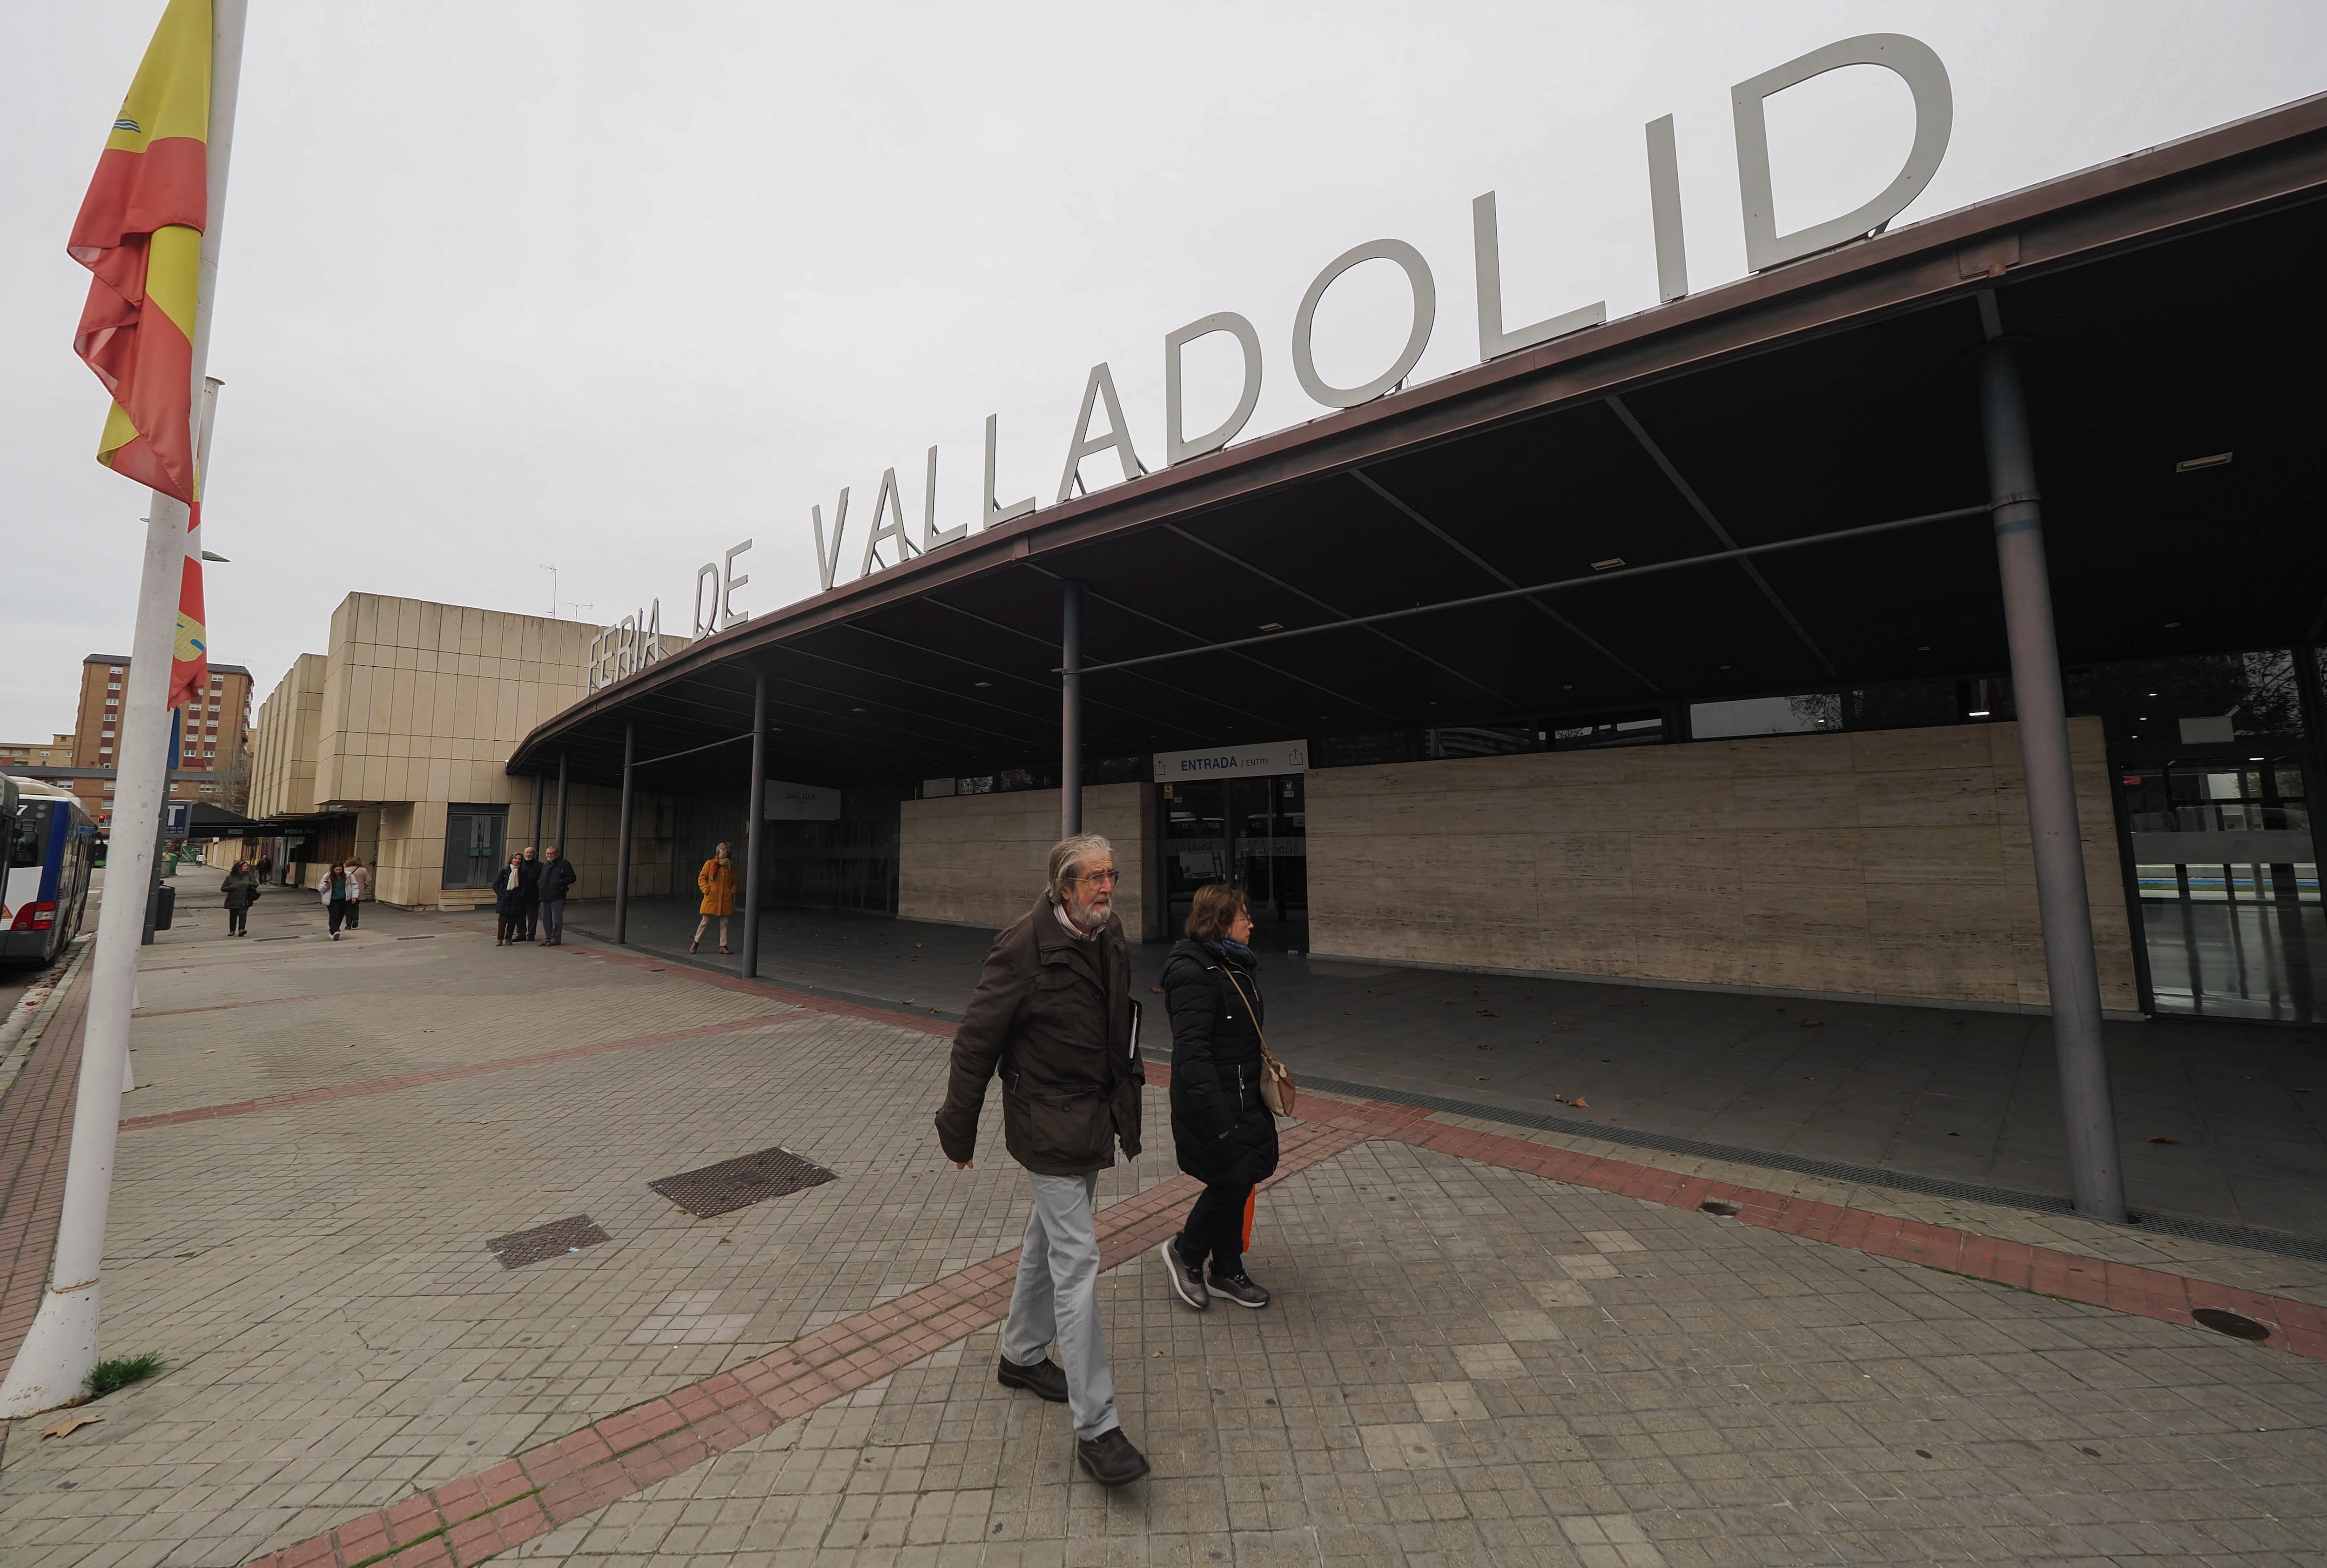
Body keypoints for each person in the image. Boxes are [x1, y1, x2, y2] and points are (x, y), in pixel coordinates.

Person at [935, 834, 1149, 1487]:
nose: (1106, 889)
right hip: (1047, 1123)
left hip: (1093, 1116)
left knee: (1047, 1238)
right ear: (1063, 887)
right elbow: (976, 1043)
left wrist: (1127, 1090)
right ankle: (1097, 1427)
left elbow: (1119, 1024)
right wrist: (958, 1129)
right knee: (1077, 1260)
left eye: (1111, 875)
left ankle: (1021, 1353)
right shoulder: (1021, 946)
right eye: (1092, 880)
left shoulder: (1109, 935)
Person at [1156, 884, 1278, 1312]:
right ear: (1222, 921)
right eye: (1243, 915)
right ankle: (1187, 1252)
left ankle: (1226, 1267)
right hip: (1213, 1102)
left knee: (1241, 1177)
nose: (1251, 922)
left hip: (1243, 1096)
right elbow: (1193, 1052)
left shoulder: (1233, 964)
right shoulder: (1193, 972)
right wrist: (1217, 1115)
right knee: (1233, 1178)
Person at [693, 842, 736, 954]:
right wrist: (707, 890)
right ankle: (696, 943)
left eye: (726, 849)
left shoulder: (731, 866)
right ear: (718, 851)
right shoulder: (710, 864)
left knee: (725, 924)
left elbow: (736, 881)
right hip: (711, 898)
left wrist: (732, 892)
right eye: (722, 849)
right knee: (705, 922)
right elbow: (702, 878)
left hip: (726, 899)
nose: (723, 851)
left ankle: (724, 946)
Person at [537, 844, 576, 945]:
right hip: (545, 896)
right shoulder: (546, 865)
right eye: (548, 854)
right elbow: (541, 877)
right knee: (546, 919)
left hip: (558, 895)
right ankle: (548, 938)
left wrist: (559, 883)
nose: (550, 855)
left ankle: (556, 939)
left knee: (557, 919)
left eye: (552, 853)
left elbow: (572, 878)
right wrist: (540, 884)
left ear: (557, 854)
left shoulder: (564, 864)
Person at [491, 851, 526, 946]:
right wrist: (502, 895)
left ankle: (508, 939)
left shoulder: (522, 872)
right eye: (516, 859)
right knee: (502, 921)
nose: (517, 861)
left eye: (519, 859)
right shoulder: (504, 870)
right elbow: (496, 885)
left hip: (516, 900)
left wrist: (521, 896)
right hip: (505, 899)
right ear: (512, 859)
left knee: (512, 921)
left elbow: (524, 886)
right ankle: (500, 939)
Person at [221, 859, 260, 937]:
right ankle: (232, 931)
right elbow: (223, 889)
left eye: (247, 866)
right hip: (233, 899)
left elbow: (256, 884)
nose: (247, 868)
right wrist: (233, 886)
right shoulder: (231, 877)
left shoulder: (249, 876)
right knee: (233, 915)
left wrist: (248, 883)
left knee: (243, 914)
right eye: (245, 866)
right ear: (239, 868)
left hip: (245, 899)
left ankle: (242, 930)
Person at [320, 862, 353, 940]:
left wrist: (354, 896)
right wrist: (326, 886)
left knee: (341, 915)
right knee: (334, 915)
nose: (339, 871)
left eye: (340, 870)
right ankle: (334, 931)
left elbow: (355, 886)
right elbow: (321, 889)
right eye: (337, 870)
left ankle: (335, 929)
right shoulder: (327, 876)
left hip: (344, 898)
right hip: (332, 899)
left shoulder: (348, 876)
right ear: (333, 870)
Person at [517, 845, 541, 941]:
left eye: (531, 853)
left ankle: (531, 935)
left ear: (534, 854)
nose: (529, 854)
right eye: (527, 853)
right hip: (520, 896)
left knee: (532, 918)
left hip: (533, 896)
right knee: (520, 917)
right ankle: (521, 935)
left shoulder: (540, 866)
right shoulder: (519, 864)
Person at [343, 858, 371, 929]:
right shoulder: (363, 870)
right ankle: (356, 919)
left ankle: (348, 924)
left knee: (348, 907)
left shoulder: (345, 870)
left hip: (348, 890)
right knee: (356, 906)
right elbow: (369, 880)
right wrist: (364, 886)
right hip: (359, 890)